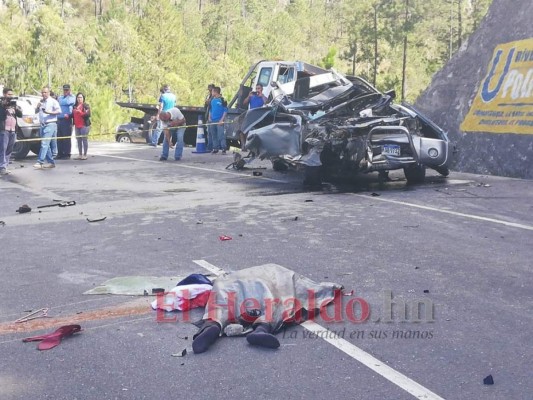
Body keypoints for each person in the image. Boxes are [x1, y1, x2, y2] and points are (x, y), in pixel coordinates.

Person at [191, 264, 342, 354]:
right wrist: (331, 288)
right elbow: (303, 287)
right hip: (263, 284)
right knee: (276, 302)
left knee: (220, 303)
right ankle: (262, 328)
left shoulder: (225, 279)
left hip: (230, 287)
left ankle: (213, 325)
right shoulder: (276, 269)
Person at [34, 86, 60, 169]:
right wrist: (37, 107)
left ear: (49, 93)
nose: (43, 94)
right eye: (42, 92)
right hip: (42, 124)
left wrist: (49, 112)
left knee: (44, 143)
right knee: (46, 145)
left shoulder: (53, 101)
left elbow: (59, 111)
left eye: (45, 92)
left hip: (50, 124)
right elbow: (36, 112)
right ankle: (51, 162)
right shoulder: (41, 102)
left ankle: (40, 162)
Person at [0, 88, 22, 175]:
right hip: (4, 130)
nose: (10, 96)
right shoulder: (1, 104)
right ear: (4, 94)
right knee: (3, 149)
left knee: (10, 149)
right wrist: (3, 107)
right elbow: (1, 116)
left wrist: (16, 108)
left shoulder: (13, 104)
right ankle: (2, 167)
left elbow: (20, 115)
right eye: (9, 94)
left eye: (11, 94)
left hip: (13, 130)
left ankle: (5, 165)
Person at [240, 84, 269, 149]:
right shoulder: (252, 96)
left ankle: (254, 147)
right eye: (256, 88)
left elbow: (267, 103)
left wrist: (262, 96)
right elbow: (244, 103)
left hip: (258, 117)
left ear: (262, 89)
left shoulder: (263, 97)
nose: (257, 90)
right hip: (250, 115)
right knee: (243, 131)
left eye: (259, 88)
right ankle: (244, 146)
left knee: (255, 132)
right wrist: (248, 96)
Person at [56, 84, 75, 159]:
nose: (66, 91)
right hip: (59, 119)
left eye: (67, 90)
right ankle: (60, 153)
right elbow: (60, 102)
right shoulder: (60, 97)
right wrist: (62, 100)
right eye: (64, 90)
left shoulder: (72, 97)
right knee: (59, 137)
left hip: (67, 120)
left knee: (66, 137)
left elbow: (67, 102)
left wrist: (62, 101)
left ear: (70, 90)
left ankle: (67, 154)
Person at [207, 86, 227, 154]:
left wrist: (222, 119)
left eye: (212, 91)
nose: (211, 93)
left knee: (221, 134)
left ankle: (224, 148)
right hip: (213, 120)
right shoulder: (212, 100)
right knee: (213, 134)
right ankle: (215, 148)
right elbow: (210, 110)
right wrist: (209, 117)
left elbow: (225, 110)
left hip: (219, 120)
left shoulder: (222, 100)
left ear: (215, 92)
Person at [72, 92, 91, 160]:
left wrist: (81, 113)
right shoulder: (74, 106)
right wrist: (68, 116)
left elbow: (88, 115)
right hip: (77, 125)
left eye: (81, 97)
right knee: (78, 140)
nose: (79, 99)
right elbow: (73, 115)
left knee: (84, 139)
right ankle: (80, 154)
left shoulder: (86, 106)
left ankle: (85, 154)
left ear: (83, 98)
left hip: (84, 125)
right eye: (78, 97)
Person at [204, 84, 215, 151]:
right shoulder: (208, 96)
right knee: (209, 132)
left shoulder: (215, 97)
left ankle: (213, 146)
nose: (209, 91)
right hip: (208, 115)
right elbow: (206, 104)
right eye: (209, 89)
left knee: (213, 132)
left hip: (214, 116)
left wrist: (209, 101)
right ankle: (209, 146)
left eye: (211, 90)